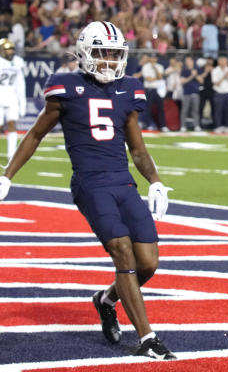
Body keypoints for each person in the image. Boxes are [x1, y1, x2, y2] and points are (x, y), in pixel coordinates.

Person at [0, 21, 175, 360]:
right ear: (84, 53)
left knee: (148, 264)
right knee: (122, 252)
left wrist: (155, 181)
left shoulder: (128, 89)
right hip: (90, 184)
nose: (109, 60)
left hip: (123, 182)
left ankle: (106, 299)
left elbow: (137, 149)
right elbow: (35, 135)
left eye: (114, 53)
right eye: (101, 52)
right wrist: (7, 175)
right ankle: (147, 338)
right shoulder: (65, 87)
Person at [0, 38, 26, 163]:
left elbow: (20, 84)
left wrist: (22, 103)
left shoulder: (17, 62)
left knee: (12, 124)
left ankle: (11, 154)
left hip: (11, 96)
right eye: (7, 49)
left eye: (11, 49)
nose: (10, 52)